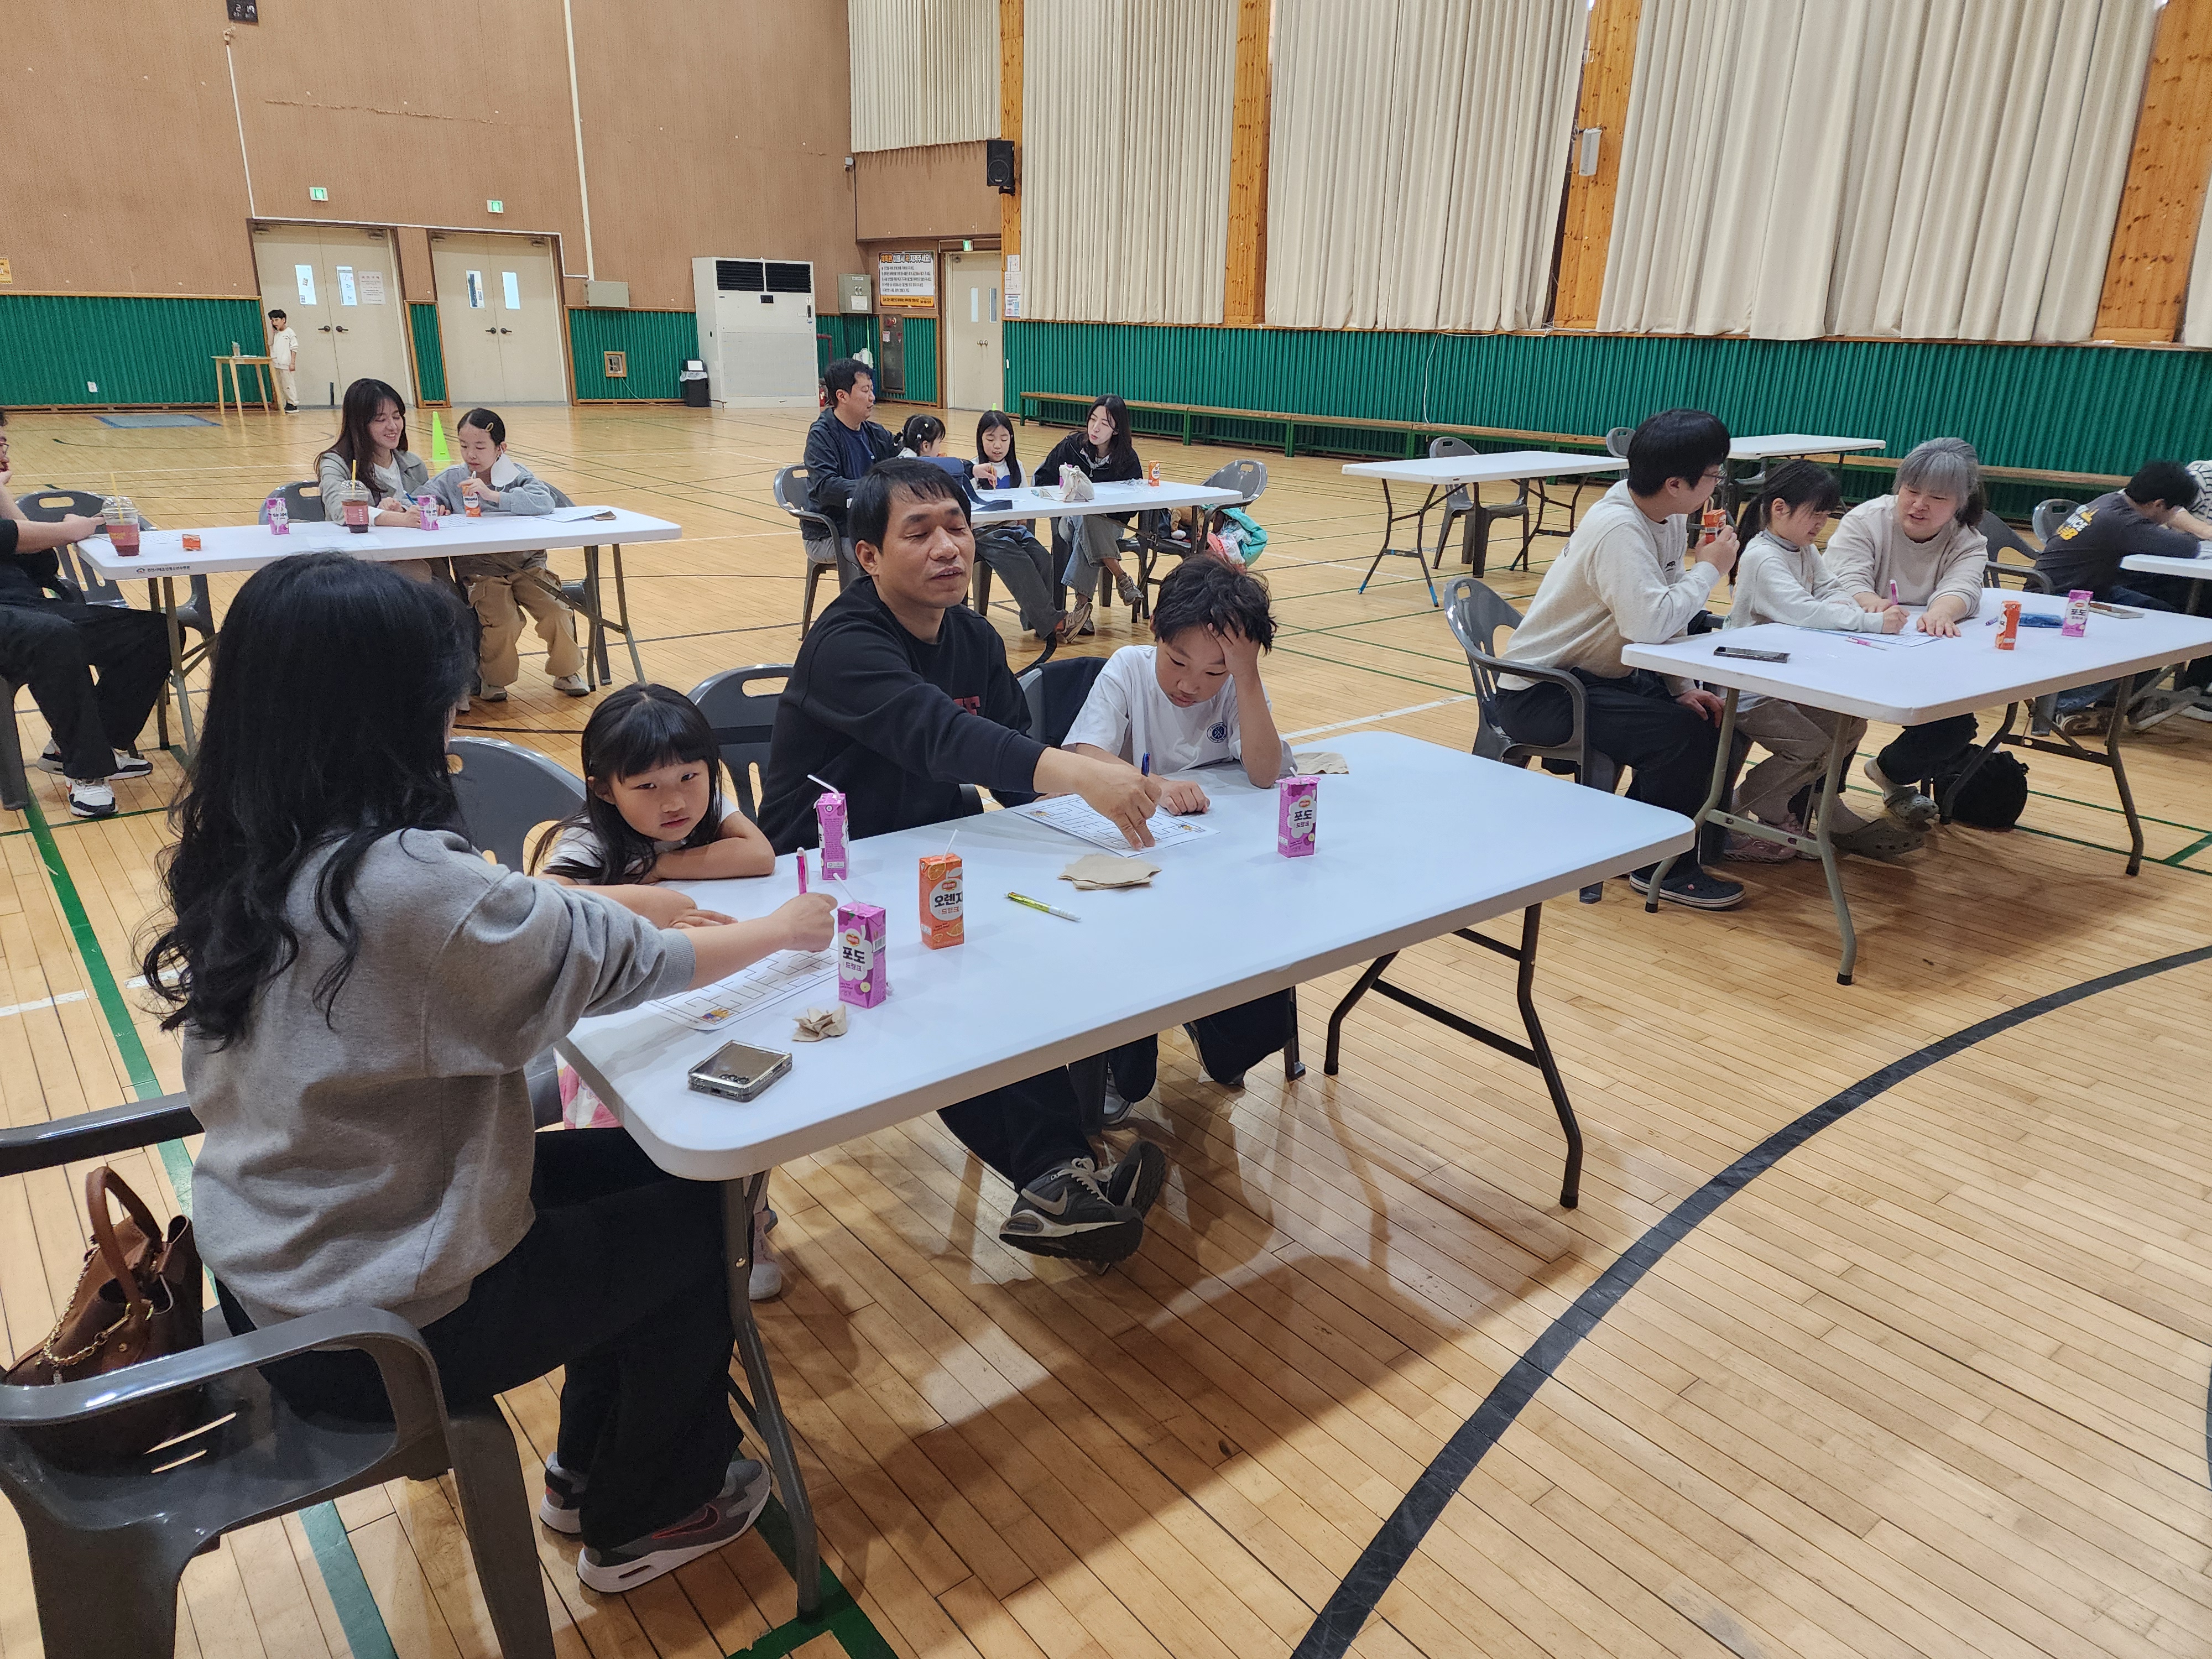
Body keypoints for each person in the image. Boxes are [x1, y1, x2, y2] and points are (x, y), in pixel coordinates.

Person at [143, 552, 837, 1593]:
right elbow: (612, 961)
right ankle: (649, 1514)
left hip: (286, 1259)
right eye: (442, 694)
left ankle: (585, 1472)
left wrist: (632, 900)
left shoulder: (254, 838)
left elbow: (533, 938)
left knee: (669, 1181)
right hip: (376, 1323)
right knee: (704, 1225)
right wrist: (780, 933)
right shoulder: (399, 882)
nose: (454, 716)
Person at [756, 458, 1170, 1264]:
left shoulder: (973, 638)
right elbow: (942, 737)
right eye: (919, 532)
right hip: (828, 884)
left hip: (936, 862)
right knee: (963, 998)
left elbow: (1012, 773)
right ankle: (1057, 1174)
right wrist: (1079, 772)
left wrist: (1101, 824)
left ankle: (1061, 1175)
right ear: (868, 556)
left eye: (957, 526)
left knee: (1026, 961)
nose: (948, 547)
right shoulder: (845, 643)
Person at [536, 681, 786, 1298]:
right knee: (639, 1132)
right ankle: (667, 1226)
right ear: (604, 789)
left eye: (689, 778)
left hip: (707, 997)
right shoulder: (589, 839)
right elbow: (548, 900)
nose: (674, 801)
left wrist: (658, 863)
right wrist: (655, 900)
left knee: (744, 1096)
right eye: (646, 787)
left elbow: (758, 855)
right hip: (617, 1020)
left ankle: (745, 1214)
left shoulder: (706, 806)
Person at [1062, 555, 1295, 1117]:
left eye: (1215, 672)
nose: (1192, 684)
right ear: (1155, 633)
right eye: (1178, 662)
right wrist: (1155, 784)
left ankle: (1208, 1018)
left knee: (1257, 1019)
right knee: (1133, 1035)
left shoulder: (1236, 685)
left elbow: (1266, 772)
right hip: (1134, 871)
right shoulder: (1129, 668)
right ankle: (1118, 1055)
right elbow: (1085, 756)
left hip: (1214, 867)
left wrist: (1245, 677)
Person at [1493, 408, 1745, 911]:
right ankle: (1657, 865)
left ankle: (1644, 837)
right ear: (1676, 483)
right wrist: (1711, 570)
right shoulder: (1618, 529)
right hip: (1546, 690)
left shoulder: (1667, 516)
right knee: (1681, 736)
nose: (1718, 484)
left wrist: (1682, 688)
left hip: (1601, 675)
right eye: (1714, 474)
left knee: (1713, 718)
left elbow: (1666, 614)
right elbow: (1649, 623)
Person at [1722, 462, 1910, 860]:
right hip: (1748, 683)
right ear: (1780, 509)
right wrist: (1871, 622)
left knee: (1850, 726)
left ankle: (1760, 802)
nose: (1821, 523)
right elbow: (1803, 612)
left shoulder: (1803, 549)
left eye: (1826, 514)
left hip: (1787, 677)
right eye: (1815, 514)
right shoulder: (1763, 557)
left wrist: (1852, 609)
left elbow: (1830, 589)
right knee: (1810, 747)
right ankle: (1753, 802)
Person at [0, 409, 169, 818]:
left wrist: (4, 499)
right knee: (53, 635)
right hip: (16, 619)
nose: (3, 453)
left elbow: (41, 566)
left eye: (2, 444)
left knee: (157, 632)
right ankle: (88, 771)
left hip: (28, 608)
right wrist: (69, 529)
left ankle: (86, 746)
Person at [1822, 437, 1989, 826]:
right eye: (1911, 491)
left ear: (1960, 502)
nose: (1919, 504)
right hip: (1852, 644)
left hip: (1921, 652)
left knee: (1955, 726)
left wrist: (1942, 612)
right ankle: (1825, 800)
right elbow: (1843, 578)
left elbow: (1964, 586)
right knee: (1841, 718)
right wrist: (1870, 603)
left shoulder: (1967, 539)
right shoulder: (1865, 521)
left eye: (1937, 498)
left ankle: (1889, 774)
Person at [426, 408, 588, 701]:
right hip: (482, 570)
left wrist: (494, 496)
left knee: (556, 610)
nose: (471, 454)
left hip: (528, 567)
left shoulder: (517, 475)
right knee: (503, 620)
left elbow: (544, 501)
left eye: (480, 447)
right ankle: (495, 680)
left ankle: (567, 671)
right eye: (464, 446)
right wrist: (430, 505)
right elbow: (421, 498)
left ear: (501, 448)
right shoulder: (452, 479)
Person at [2034, 460, 2212, 727]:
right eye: (2175, 510)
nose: (2174, 516)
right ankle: (2065, 702)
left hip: (2072, 589)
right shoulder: (2124, 523)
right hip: (2061, 600)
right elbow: (2186, 548)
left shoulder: (2110, 502)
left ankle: (2126, 700)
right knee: (2155, 629)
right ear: (2159, 505)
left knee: (2164, 616)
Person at [1035, 394, 1145, 636]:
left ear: (1117, 430)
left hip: (1110, 526)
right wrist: (1064, 494)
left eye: (1104, 423)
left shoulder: (1127, 459)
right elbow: (1042, 479)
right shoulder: (1071, 447)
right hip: (1067, 522)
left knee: (1088, 520)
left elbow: (1132, 507)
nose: (1095, 428)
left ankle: (1081, 610)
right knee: (1084, 515)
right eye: (1093, 419)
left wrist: (1105, 505)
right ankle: (1121, 577)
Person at [317, 378, 436, 581]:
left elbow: (428, 504)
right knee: (416, 573)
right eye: (380, 420)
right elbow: (342, 510)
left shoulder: (414, 464)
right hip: (360, 563)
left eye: (397, 417)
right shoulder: (335, 463)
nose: (393, 426)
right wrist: (400, 519)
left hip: (415, 551)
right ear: (359, 425)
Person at [801, 357, 898, 588]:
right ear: (842, 396)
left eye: (872, 390)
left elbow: (903, 461)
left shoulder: (875, 433)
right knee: (882, 555)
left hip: (870, 526)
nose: (872, 397)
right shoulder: (822, 435)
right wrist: (874, 488)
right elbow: (827, 487)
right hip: (831, 533)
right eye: (865, 391)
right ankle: (865, 610)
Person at [973, 410, 1064, 644]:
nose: (997, 445)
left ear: (1011, 440)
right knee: (1020, 561)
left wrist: (1021, 522)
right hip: (986, 534)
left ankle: (1036, 623)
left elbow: (1025, 506)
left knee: (1044, 559)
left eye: (1004, 439)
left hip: (1014, 530)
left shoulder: (1017, 467)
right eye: (991, 438)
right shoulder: (973, 470)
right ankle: (1053, 623)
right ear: (981, 439)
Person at [266, 309, 300, 412]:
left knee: (288, 384)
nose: (275, 323)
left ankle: (293, 404)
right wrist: (272, 332)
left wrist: (292, 363)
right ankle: (284, 404)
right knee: (280, 385)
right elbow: (270, 343)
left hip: (286, 364)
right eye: (273, 321)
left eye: (277, 320)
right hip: (277, 363)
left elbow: (294, 348)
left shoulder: (290, 332)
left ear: (283, 320)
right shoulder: (276, 334)